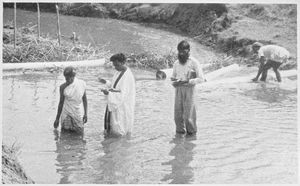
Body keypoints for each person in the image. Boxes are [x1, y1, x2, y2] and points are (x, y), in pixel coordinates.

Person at [171, 40, 206, 136]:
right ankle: (179, 138)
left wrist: (189, 81)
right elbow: (173, 77)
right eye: (179, 51)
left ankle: (191, 138)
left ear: (188, 50)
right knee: (177, 116)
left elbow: (201, 79)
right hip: (178, 90)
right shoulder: (176, 63)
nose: (181, 54)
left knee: (189, 117)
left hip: (190, 90)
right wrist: (174, 82)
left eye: (183, 51)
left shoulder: (194, 62)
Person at [99, 53, 136, 137]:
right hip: (115, 102)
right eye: (114, 65)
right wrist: (105, 82)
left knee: (120, 130)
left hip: (123, 106)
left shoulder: (127, 75)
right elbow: (114, 86)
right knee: (113, 127)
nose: (115, 67)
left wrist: (108, 93)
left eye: (116, 64)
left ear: (122, 62)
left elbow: (123, 94)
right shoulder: (118, 72)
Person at [54, 66, 88, 133]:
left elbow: (84, 99)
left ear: (73, 77)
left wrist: (86, 114)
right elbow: (61, 103)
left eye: (69, 78)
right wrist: (57, 119)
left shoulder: (81, 84)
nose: (67, 81)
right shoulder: (63, 87)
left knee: (80, 133)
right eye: (66, 79)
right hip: (66, 113)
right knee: (65, 134)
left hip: (77, 112)